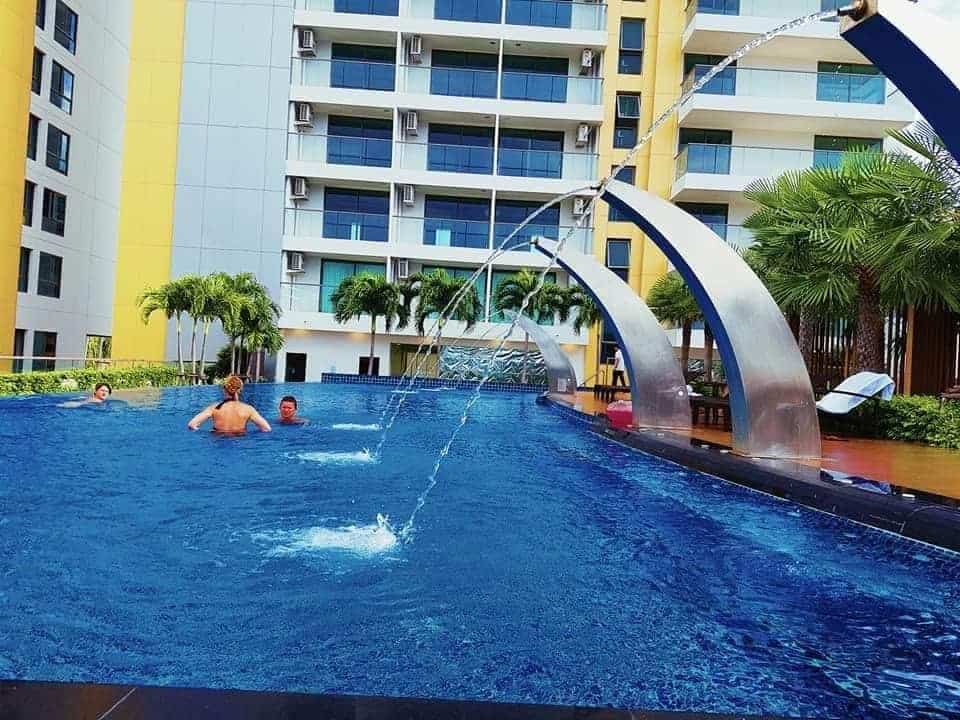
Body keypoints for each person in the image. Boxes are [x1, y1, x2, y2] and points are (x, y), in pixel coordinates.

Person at [188, 374, 271, 433]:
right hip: (239, 442)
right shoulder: (248, 409)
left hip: (218, 442)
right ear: (240, 390)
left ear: (224, 390)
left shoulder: (213, 408)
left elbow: (192, 425)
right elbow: (266, 429)